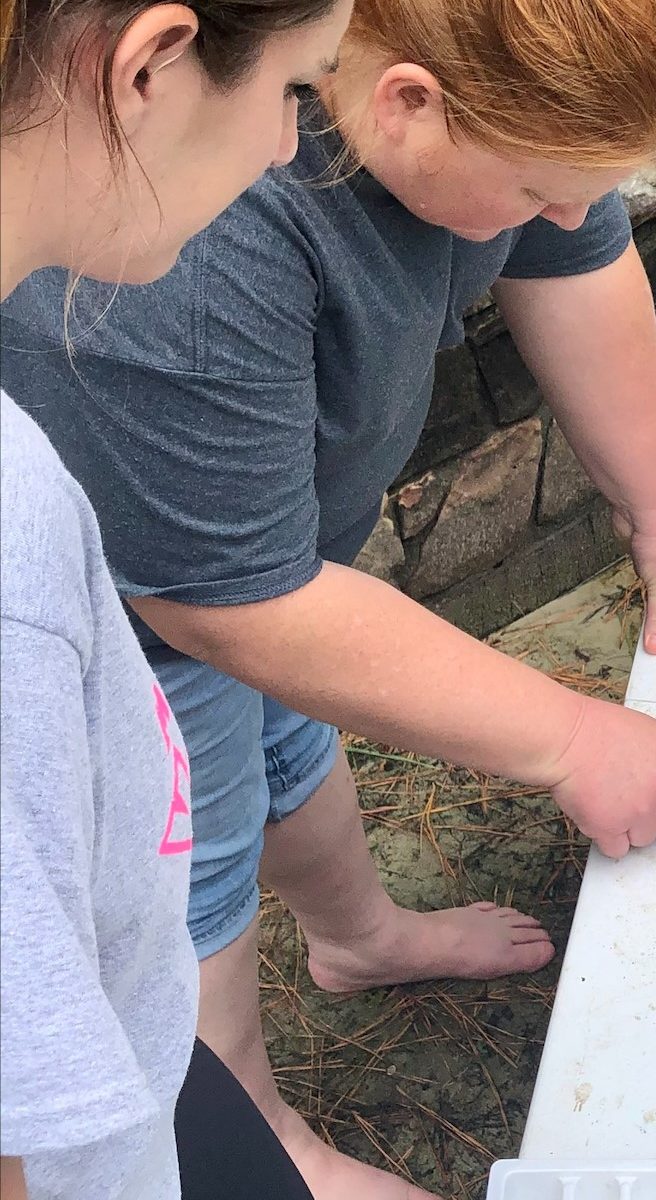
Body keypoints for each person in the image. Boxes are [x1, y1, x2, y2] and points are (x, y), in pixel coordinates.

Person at [0, 0, 656, 1195]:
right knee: (186, 874)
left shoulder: (483, 121)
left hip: (272, 548)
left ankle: (358, 936)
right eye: (533, 190)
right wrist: (571, 738)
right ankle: (261, 1129)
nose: (566, 213)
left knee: (294, 747)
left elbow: (577, 255)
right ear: (405, 103)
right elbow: (230, 605)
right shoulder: (183, 245)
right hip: (148, 609)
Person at [0, 0, 354, 1196]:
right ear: (151, 65)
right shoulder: (11, 541)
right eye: (298, 90)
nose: (284, 149)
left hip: (134, 1045)